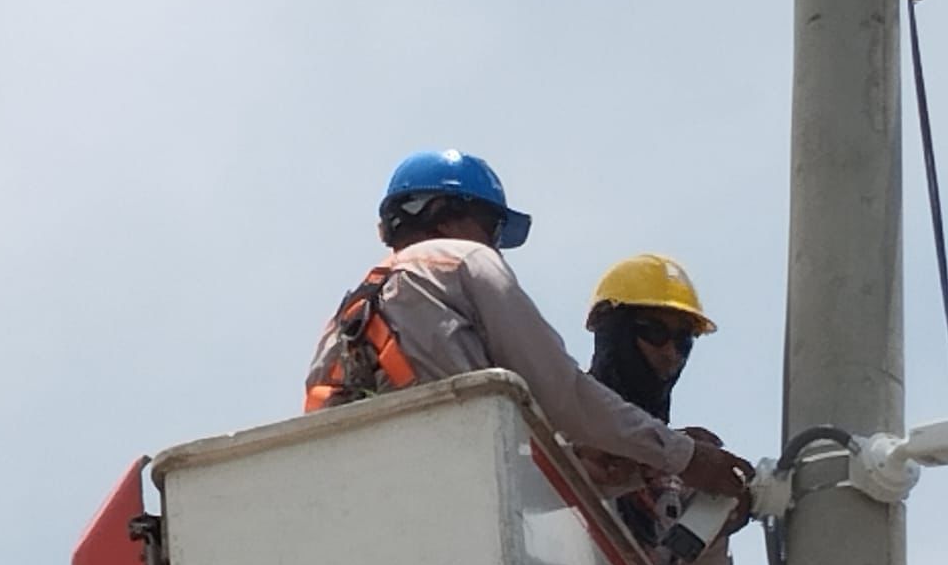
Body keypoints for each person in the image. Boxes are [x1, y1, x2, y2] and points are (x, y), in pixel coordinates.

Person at [305, 149, 750, 500]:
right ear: (443, 215)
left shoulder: (348, 315)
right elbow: (561, 391)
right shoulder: (466, 260)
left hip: (361, 484)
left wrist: (587, 466)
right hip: (451, 478)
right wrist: (685, 457)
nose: (495, 245)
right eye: (492, 227)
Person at [579, 254, 740, 565]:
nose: (670, 353)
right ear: (614, 333)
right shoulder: (556, 412)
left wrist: (718, 511)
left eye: (684, 342)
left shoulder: (680, 476)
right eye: (654, 332)